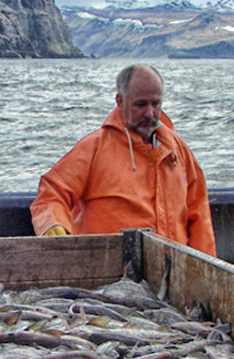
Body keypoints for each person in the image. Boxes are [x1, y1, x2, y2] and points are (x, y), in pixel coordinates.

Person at [30, 64, 217, 256]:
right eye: (141, 104)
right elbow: (51, 195)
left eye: (156, 104)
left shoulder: (178, 150)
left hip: (171, 273)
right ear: (120, 101)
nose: (150, 113)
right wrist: (54, 228)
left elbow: (199, 212)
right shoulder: (94, 148)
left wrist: (206, 272)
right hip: (109, 277)